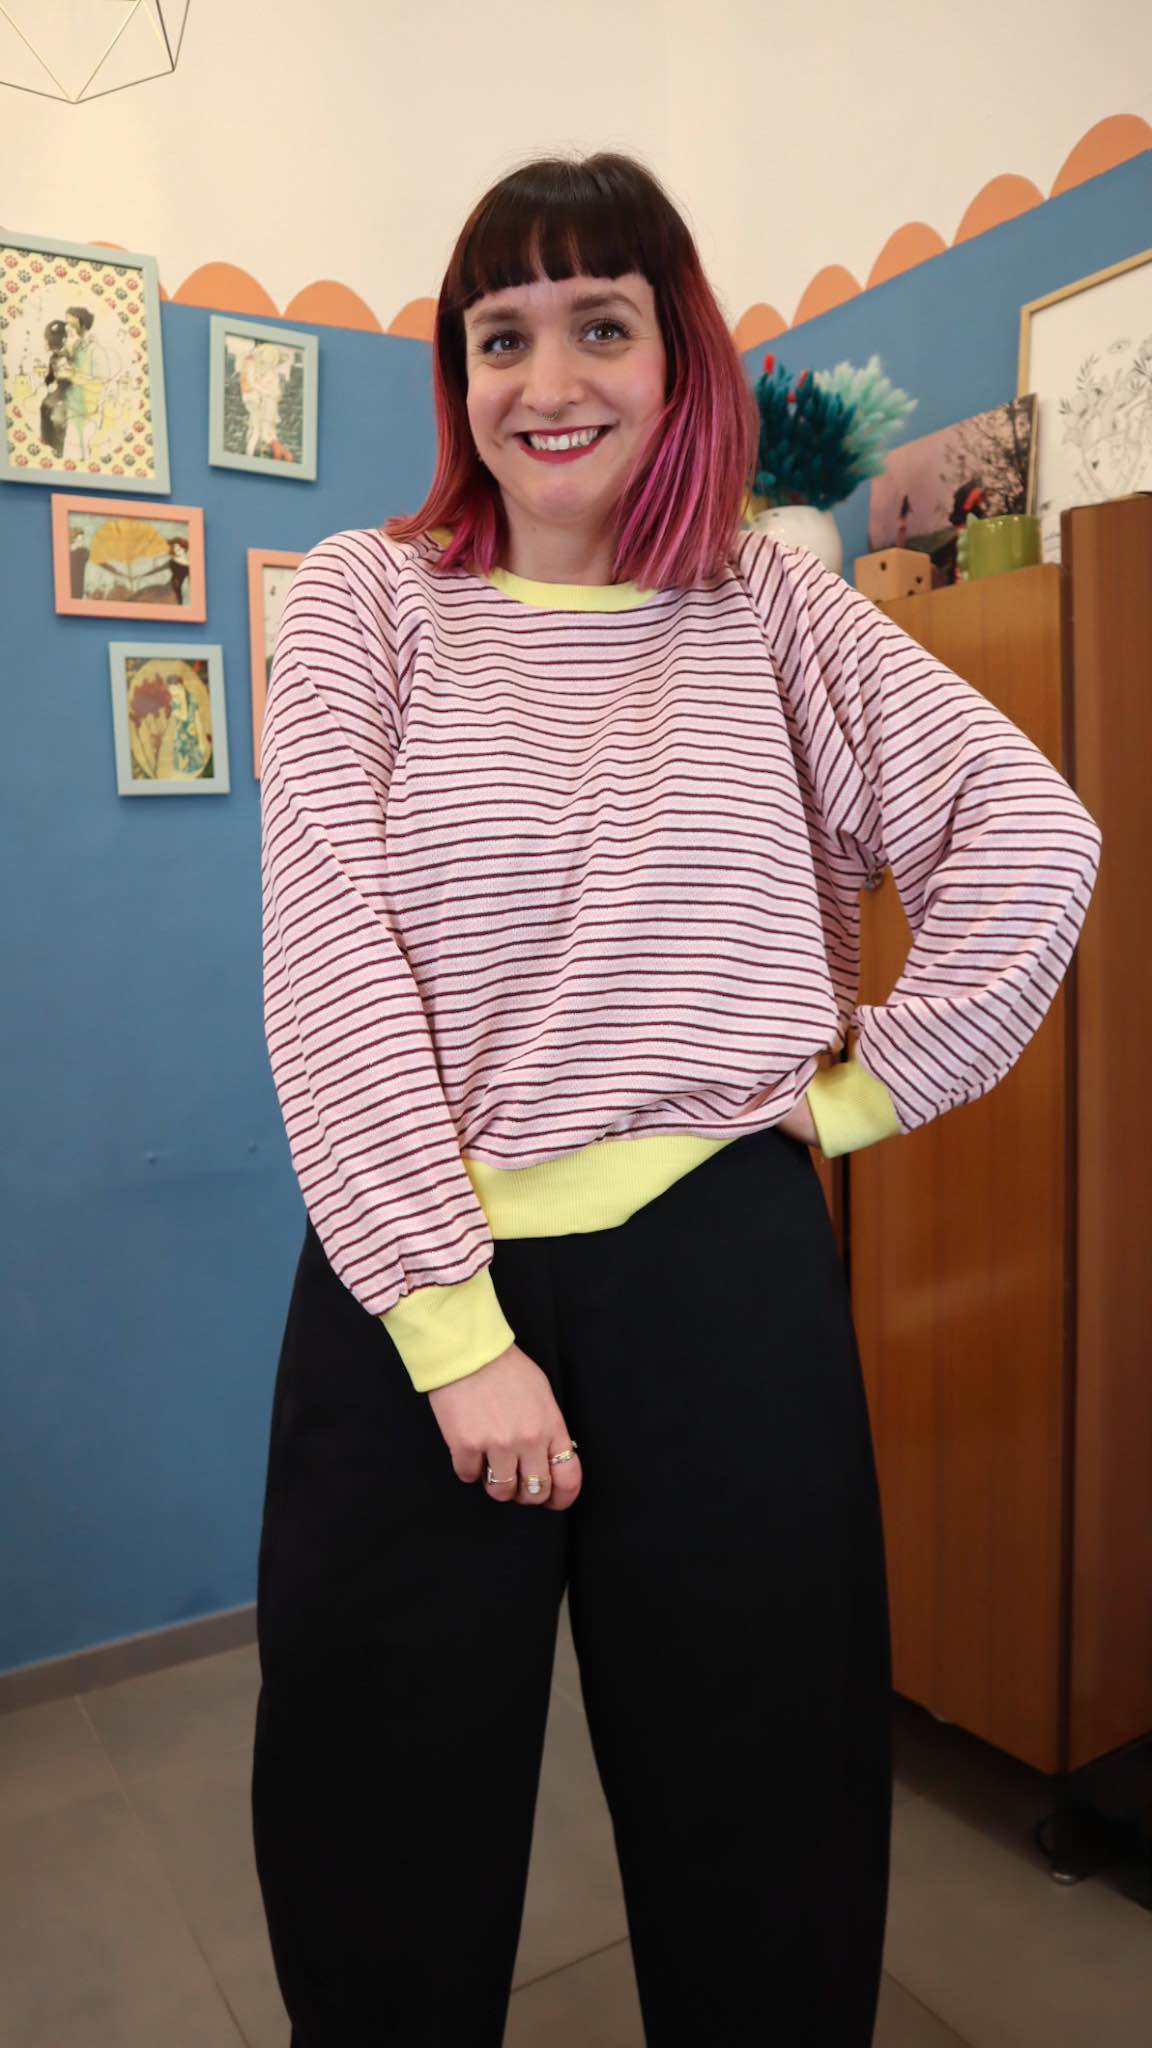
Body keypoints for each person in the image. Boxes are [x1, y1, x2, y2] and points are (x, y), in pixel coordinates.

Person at [252, 152, 1102, 2047]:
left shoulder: (770, 609)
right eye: (500, 336)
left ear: (677, 353)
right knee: (374, 1838)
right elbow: (331, 961)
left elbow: (1030, 839)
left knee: (768, 1828)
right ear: (458, 377)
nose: (548, 379)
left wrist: (867, 1093)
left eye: (601, 325)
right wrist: (455, 1329)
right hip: (416, 1291)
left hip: (721, 1275)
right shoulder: (368, 604)